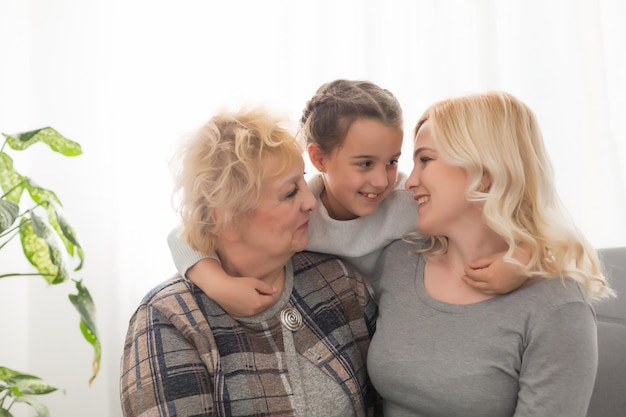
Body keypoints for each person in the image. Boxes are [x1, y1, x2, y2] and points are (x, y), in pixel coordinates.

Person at [168, 80, 529, 317]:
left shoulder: (408, 202)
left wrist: (521, 261)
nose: (381, 180)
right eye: (364, 164)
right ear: (319, 159)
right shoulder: (301, 208)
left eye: (392, 162)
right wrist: (219, 285)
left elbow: (518, 226)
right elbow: (184, 235)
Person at [367, 91, 615, 417]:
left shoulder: (557, 305)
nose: (409, 182)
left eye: (425, 160)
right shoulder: (398, 261)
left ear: (483, 172)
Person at [120, 108, 379, 417]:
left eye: (303, 181)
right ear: (227, 219)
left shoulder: (340, 283)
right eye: (289, 193)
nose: (311, 202)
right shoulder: (168, 319)